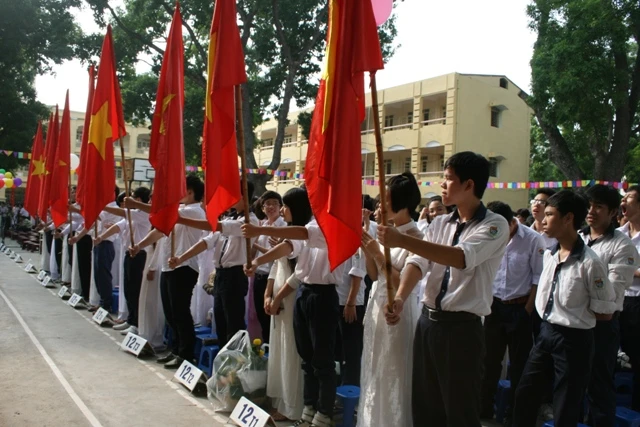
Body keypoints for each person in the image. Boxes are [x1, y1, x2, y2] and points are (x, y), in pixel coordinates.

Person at [378, 151, 509, 426]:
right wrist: (400, 297)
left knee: (460, 410)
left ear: (469, 185)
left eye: (449, 179)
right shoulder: (440, 223)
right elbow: (418, 263)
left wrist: (402, 240)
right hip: (428, 323)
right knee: (426, 407)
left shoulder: (494, 225)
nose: (443, 185)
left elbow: (461, 258)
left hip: (462, 328)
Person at [242, 188, 346, 427]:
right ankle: (309, 407)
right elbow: (289, 247)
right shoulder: (307, 229)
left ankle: (324, 412)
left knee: (323, 360)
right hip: (304, 294)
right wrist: (258, 261)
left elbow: (300, 234)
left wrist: (260, 229)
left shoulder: (328, 226)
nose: (283, 211)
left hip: (323, 296)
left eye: (286, 207)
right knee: (306, 358)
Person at [513, 190, 616, 427]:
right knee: (525, 394)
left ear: (568, 218)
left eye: (550, 214)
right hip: (546, 334)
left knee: (566, 405)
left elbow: (605, 312)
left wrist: (574, 316)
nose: (543, 220)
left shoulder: (590, 262)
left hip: (574, 340)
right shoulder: (550, 254)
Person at [358, 172, 423, 427]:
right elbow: (375, 276)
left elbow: (399, 281)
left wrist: (377, 252)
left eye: (385, 200)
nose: (379, 206)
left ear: (402, 202)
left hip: (398, 311)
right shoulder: (390, 233)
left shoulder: (415, 238)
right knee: (374, 371)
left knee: (393, 375)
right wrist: (369, 251)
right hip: (376, 306)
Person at [243, 187, 311, 421]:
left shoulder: (303, 234)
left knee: (291, 349)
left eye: (285, 206)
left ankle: (292, 406)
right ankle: (280, 400)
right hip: (278, 296)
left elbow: (296, 273)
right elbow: (276, 264)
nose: (281, 210)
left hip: (291, 298)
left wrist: (279, 296)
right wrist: (267, 294)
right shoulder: (287, 232)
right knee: (280, 347)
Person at [127, 175, 206, 368]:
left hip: (184, 266)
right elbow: (160, 229)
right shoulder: (179, 210)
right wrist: (139, 245)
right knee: (171, 312)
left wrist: (137, 205)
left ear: (190, 191)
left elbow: (163, 215)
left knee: (180, 311)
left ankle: (185, 354)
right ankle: (176, 349)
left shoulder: (196, 211)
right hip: (169, 265)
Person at [170, 181, 259, 348]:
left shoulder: (249, 221)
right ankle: (222, 363)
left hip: (235, 275)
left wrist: (181, 219)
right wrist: (181, 258)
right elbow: (207, 241)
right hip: (221, 275)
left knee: (233, 324)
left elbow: (217, 226)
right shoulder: (230, 217)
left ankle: (234, 366)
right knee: (221, 321)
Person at [578, 185, 639, 426]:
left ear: (613, 212)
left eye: (599, 207)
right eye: (589, 205)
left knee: (600, 382)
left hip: (607, 318)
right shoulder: (579, 238)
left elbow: (609, 291)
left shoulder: (622, 244)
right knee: (573, 381)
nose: (592, 211)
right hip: (575, 319)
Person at [480, 201, 545, 425]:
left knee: (519, 364)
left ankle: (515, 413)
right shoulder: (489, 234)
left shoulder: (533, 239)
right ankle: (484, 407)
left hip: (520, 307)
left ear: (511, 222)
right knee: (489, 361)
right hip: (493, 307)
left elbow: (538, 278)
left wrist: (527, 310)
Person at [94, 187, 152, 335]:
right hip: (130, 254)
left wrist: (101, 206)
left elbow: (121, 212)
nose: (128, 199)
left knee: (134, 289)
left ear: (138, 200)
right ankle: (131, 320)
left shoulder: (143, 214)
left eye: (132, 196)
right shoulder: (132, 216)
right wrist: (101, 237)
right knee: (128, 288)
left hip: (139, 255)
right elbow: (117, 227)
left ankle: (137, 323)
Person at [252, 191, 286, 343]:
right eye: (268, 204)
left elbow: (276, 254)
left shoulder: (283, 227)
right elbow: (253, 253)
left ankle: (273, 348)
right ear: (263, 207)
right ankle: (266, 347)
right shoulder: (262, 225)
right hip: (259, 275)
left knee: (273, 316)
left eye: (275, 203)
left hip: (273, 278)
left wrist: (255, 244)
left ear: (280, 207)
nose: (271, 206)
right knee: (261, 315)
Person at [618, 185, 640, 411]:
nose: (624, 201)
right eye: (623, 197)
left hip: (637, 302)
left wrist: (625, 269)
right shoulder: (618, 233)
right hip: (616, 301)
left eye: (630, 198)